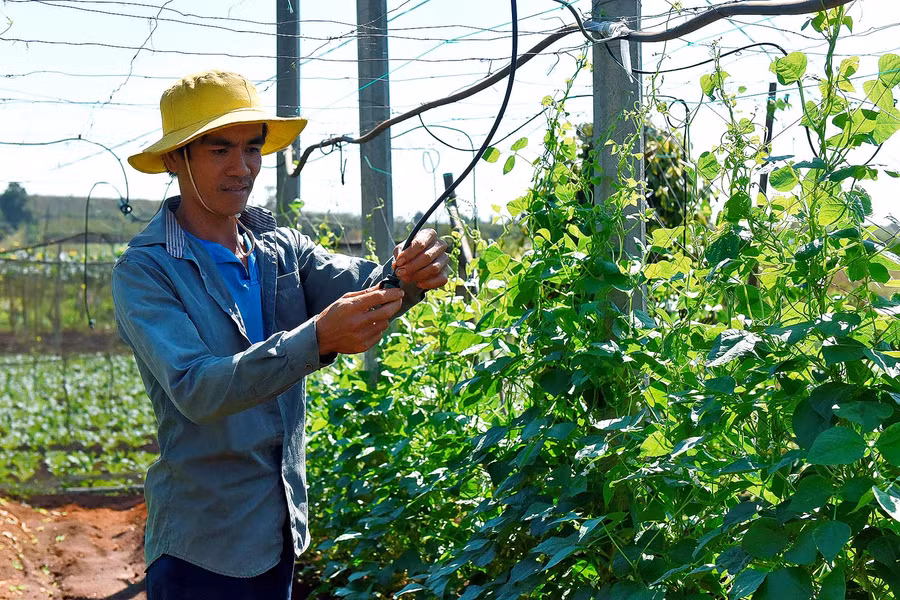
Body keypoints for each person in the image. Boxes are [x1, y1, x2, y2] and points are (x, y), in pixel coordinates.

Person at [112, 70, 450, 599]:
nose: (241, 167)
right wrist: (316, 338)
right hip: (203, 546)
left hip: (280, 531)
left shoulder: (279, 248)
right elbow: (198, 388)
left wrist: (411, 273)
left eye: (252, 149)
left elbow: (367, 287)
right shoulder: (147, 270)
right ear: (177, 159)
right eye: (219, 149)